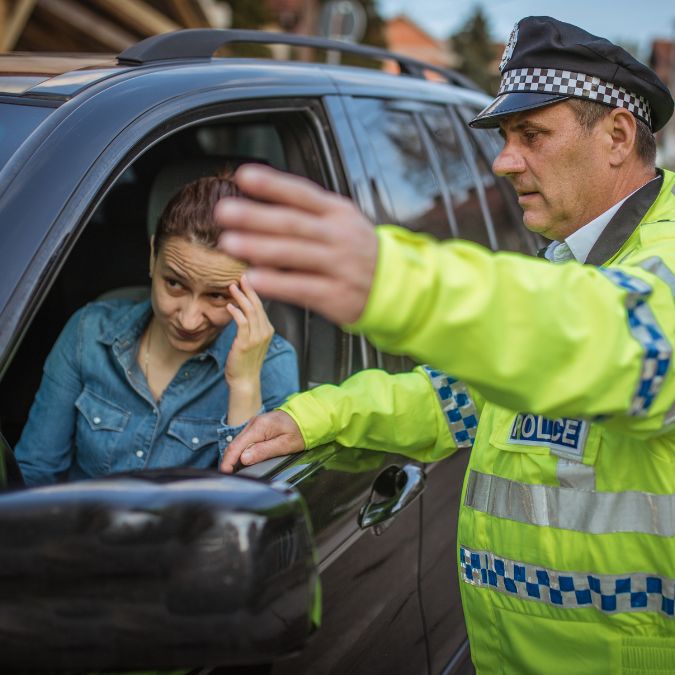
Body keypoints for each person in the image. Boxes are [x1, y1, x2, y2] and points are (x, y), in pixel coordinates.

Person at [213, 16, 675, 675]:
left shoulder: (660, 263)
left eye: (531, 134)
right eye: (505, 137)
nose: (502, 160)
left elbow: (602, 337)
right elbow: (455, 397)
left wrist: (395, 280)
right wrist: (311, 417)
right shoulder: (564, 261)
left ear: (617, 135)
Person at [15, 174, 299, 486]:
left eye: (217, 295)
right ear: (153, 256)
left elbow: (256, 510)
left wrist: (244, 386)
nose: (189, 320)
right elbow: (34, 474)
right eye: (174, 284)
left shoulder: (271, 366)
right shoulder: (88, 333)